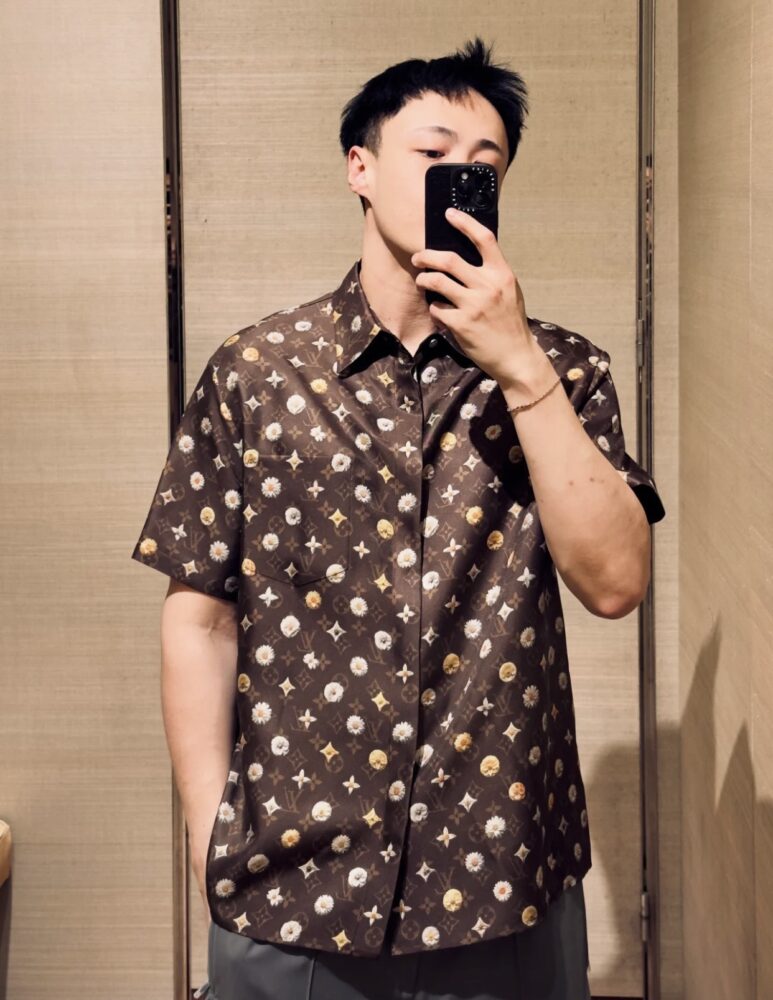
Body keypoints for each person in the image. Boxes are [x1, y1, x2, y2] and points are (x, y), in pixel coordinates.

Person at [133, 35, 665, 1000]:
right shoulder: (257, 372)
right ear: (360, 169)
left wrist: (520, 367)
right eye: (431, 153)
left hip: (504, 879)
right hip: (289, 880)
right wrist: (210, 832)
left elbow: (616, 583)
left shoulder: (564, 370)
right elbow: (199, 618)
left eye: (483, 163)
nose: (458, 174)